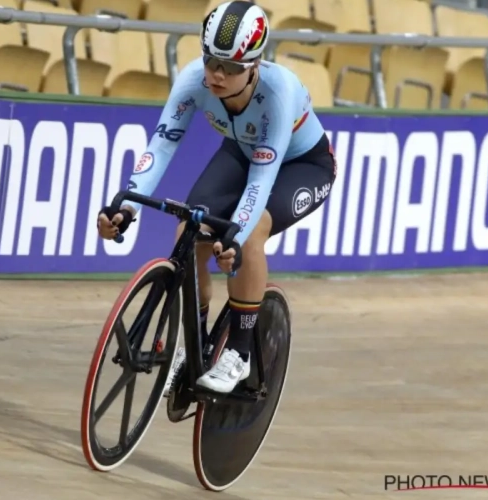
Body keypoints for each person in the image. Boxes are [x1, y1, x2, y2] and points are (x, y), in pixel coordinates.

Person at [97, 0, 336, 395]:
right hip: (241, 152)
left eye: (232, 68)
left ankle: (239, 353)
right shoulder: (194, 80)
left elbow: (261, 180)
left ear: (255, 66)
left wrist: (236, 237)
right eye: (212, 62)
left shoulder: (279, 93)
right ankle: (196, 344)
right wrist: (126, 205)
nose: (218, 75)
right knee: (189, 232)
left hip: (302, 166)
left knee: (252, 230)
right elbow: (161, 146)